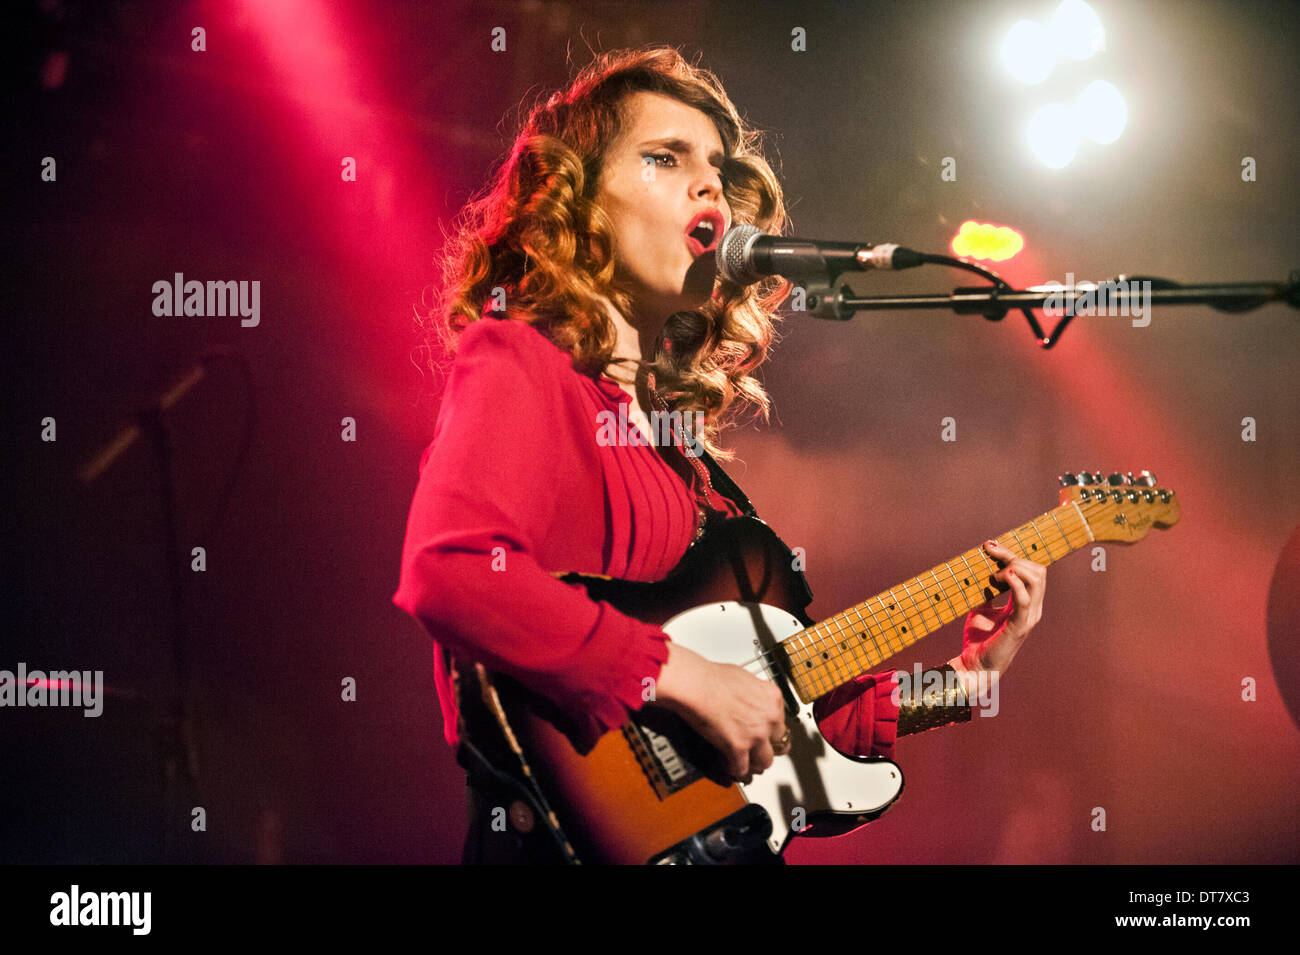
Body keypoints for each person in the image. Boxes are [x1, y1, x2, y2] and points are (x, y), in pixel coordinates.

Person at [392, 47, 1047, 864]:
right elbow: (449, 569)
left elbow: (777, 714)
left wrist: (962, 682)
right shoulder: (522, 361)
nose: (709, 185)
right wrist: (678, 673)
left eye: (717, 168)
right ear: (576, 202)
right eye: (665, 158)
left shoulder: (685, 463)